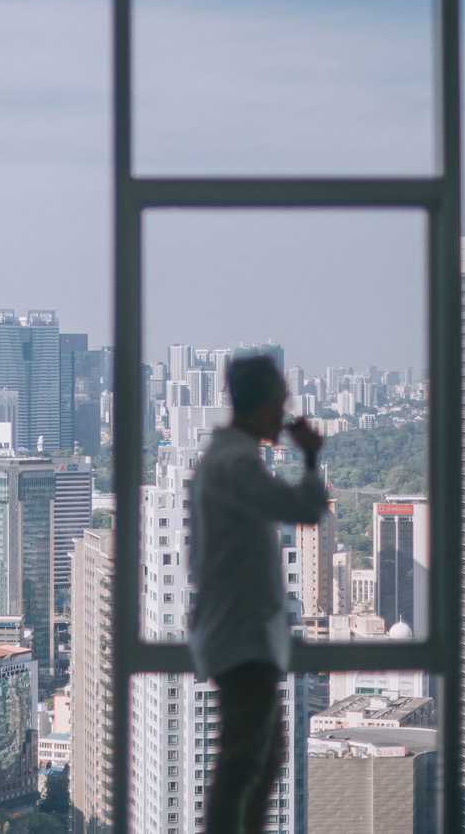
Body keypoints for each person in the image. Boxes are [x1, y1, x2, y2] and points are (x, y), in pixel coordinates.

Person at [188, 354, 328, 834]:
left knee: (261, 761)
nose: (283, 412)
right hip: (242, 640)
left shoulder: (225, 460)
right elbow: (304, 509)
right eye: (280, 401)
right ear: (265, 403)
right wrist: (310, 457)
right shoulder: (236, 464)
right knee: (244, 763)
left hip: (240, 636)